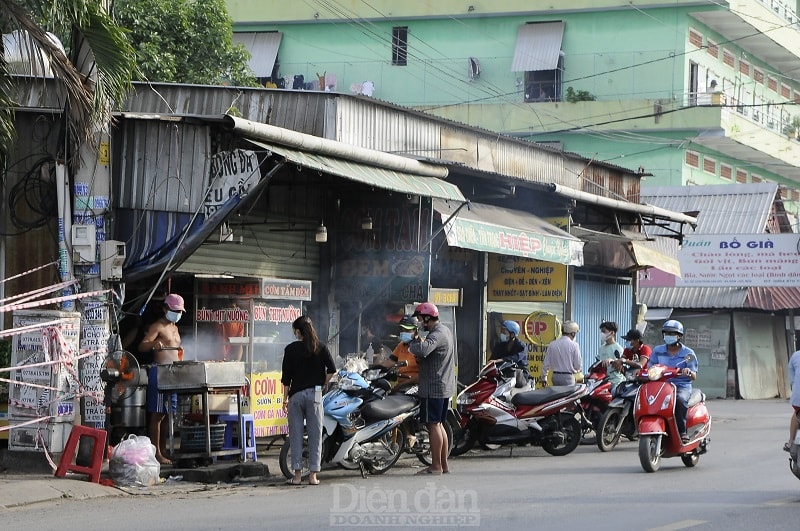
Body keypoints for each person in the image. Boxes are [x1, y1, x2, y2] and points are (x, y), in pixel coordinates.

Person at [281, 315, 336, 486]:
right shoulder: (320, 347)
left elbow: (286, 379)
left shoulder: (290, 349)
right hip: (315, 395)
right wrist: (322, 383)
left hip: (296, 397)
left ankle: (297, 476)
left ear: (298, 332)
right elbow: (332, 369)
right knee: (315, 435)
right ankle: (313, 475)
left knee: (296, 435)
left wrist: (284, 400)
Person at [408, 302, 456, 475]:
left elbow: (423, 350)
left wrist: (412, 342)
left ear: (428, 318)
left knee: (432, 425)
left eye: (421, 319)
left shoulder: (437, 334)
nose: (420, 323)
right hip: (442, 386)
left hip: (433, 387)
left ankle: (435, 466)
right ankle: (443, 465)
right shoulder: (445, 331)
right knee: (438, 424)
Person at [138, 293, 185, 465]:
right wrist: (153, 345)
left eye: (179, 311)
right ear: (165, 309)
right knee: (157, 414)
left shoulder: (175, 328)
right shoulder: (157, 326)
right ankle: (155, 452)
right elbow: (142, 346)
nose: (177, 314)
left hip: (173, 373)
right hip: (159, 373)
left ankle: (164, 449)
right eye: (174, 310)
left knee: (167, 414)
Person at [648, 320, 698, 444]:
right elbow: (650, 367)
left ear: (679, 336)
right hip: (661, 385)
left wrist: (687, 371)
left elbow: (694, 375)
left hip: (681, 385)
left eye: (672, 333)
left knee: (680, 400)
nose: (669, 336)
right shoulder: (658, 350)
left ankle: (682, 431)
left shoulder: (688, 354)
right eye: (667, 333)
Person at [380, 315, 419, 387]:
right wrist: (376, 369)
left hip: (415, 386)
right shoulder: (401, 345)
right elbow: (390, 362)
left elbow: (422, 376)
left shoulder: (422, 347)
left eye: (407, 330)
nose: (404, 333)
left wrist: (400, 385)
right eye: (402, 330)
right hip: (401, 385)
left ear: (415, 331)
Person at [542, 320, 582, 386]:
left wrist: (544, 377)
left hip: (555, 377)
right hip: (568, 378)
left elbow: (546, 363)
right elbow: (578, 365)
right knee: (569, 396)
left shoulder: (552, 344)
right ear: (573, 333)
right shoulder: (574, 345)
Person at [597, 321, 625, 393]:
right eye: (601, 332)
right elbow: (598, 362)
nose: (602, 334)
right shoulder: (601, 348)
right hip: (603, 381)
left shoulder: (618, 348)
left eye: (604, 331)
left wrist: (612, 360)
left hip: (615, 382)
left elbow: (620, 366)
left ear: (612, 333)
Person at [785, 348, 800, 452]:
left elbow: (792, 380)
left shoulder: (795, 355)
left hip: (797, 397)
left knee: (796, 413)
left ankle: (790, 442)